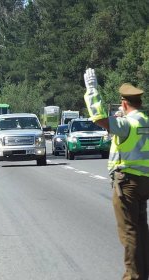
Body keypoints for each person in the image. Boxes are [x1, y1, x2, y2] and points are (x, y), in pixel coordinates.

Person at [84, 68, 149, 280]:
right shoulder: (145, 121)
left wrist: (92, 90)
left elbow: (100, 119)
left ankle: (133, 276)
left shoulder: (127, 123)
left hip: (127, 182)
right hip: (144, 182)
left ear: (124, 103)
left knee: (128, 232)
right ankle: (143, 272)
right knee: (141, 229)